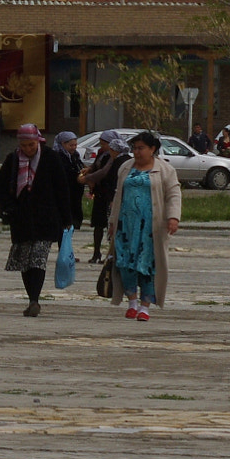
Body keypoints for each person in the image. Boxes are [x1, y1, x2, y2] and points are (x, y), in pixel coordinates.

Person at [0, 124, 81, 318]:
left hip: (47, 218)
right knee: (25, 261)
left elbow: (62, 189)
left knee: (38, 259)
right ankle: (32, 298)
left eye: (31, 145)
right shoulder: (13, 160)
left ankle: (35, 299)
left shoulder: (50, 158)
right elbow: (1, 186)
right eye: (24, 145)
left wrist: (67, 218)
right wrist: (7, 209)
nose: (28, 149)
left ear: (38, 141)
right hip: (21, 218)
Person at [107, 130, 182, 321]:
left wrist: (173, 217)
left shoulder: (165, 170)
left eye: (141, 148)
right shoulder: (125, 167)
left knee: (148, 265)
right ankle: (132, 302)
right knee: (125, 263)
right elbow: (118, 195)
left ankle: (145, 307)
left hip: (151, 228)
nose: (137, 152)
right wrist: (112, 222)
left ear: (152, 149)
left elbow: (173, 194)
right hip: (126, 226)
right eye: (134, 148)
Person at [82, 134, 128, 263]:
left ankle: (111, 254)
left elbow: (105, 173)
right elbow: (96, 166)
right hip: (102, 193)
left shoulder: (118, 160)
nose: (102, 146)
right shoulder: (103, 154)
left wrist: (87, 179)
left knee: (111, 225)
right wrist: (90, 171)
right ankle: (97, 253)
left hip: (111, 195)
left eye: (104, 143)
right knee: (99, 224)